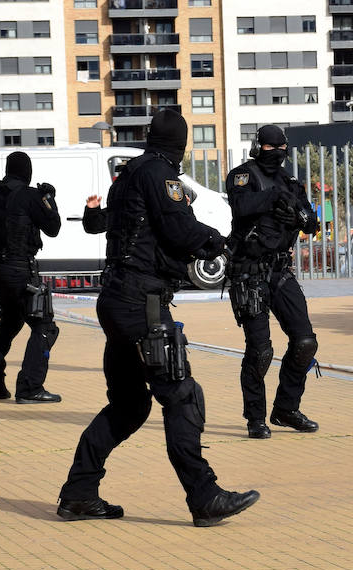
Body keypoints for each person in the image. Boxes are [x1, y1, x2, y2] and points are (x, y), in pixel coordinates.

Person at [58, 109, 257, 526]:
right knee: (182, 395)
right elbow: (179, 230)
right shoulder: (161, 175)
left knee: (129, 405)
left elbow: (127, 226)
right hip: (141, 300)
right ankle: (204, 496)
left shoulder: (128, 173)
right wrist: (222, 243)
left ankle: (79, 493)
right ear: (181, 145)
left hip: (116, 298)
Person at [224, 124, 323, 440]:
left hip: (281, 271)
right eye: (270, 148)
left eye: (280, 148)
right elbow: (240, 206)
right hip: (249, 271)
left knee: (305, 342)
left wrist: (295, 213)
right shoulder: (243, 176)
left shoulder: (291, 182)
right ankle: (255, 418)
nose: (275, 154)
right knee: (260, 350)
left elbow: (311, 222)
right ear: (258, 148)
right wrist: (271, 198)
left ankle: (285, 409)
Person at [0, 151, 63, 403]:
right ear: (28, 171)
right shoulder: (30, 196)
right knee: (45, 326)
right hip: (19, 267)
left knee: (10, 320)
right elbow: (53, 228)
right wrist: (49, 199)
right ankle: (30, 387)